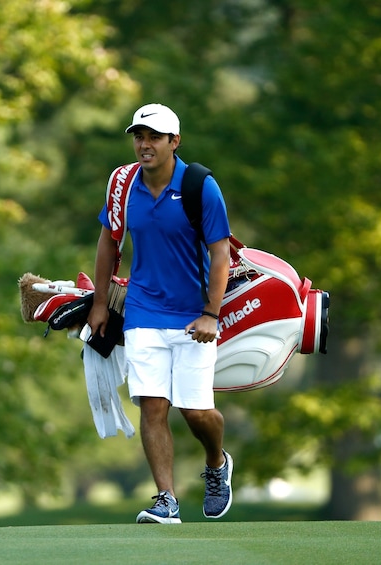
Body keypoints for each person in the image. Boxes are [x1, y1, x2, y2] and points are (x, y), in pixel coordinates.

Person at [87, 103, 233, 524]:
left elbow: (220, 252)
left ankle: (216, 463)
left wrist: (211, 312)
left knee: (195, 410)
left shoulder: (200, 185)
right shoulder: (122, 184)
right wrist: (100, 303)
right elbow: (108, 243)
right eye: (138, 136)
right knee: (153, 406)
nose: (144, 145)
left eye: (154, 137)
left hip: (194, 316)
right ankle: (165, 498)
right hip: (143, 311)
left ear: (175, 142)